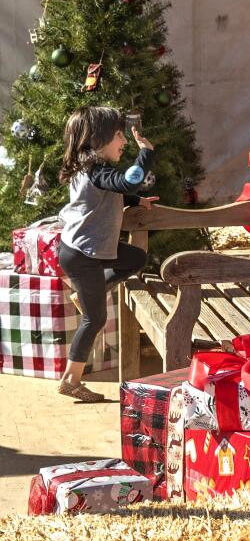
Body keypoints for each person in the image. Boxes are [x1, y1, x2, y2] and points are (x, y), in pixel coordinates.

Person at [55, 107, 158, 402]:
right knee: (95, 318)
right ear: (100, 138)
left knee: (136, 258)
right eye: (118, 134)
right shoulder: (95, 170)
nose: (124, 140)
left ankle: (93, 289)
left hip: (95, 249)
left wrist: (137, 199)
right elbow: (126, 181)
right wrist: (146, 152)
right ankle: (70, 380)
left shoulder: (92, 168)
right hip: (82, 254)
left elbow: (117, 191)